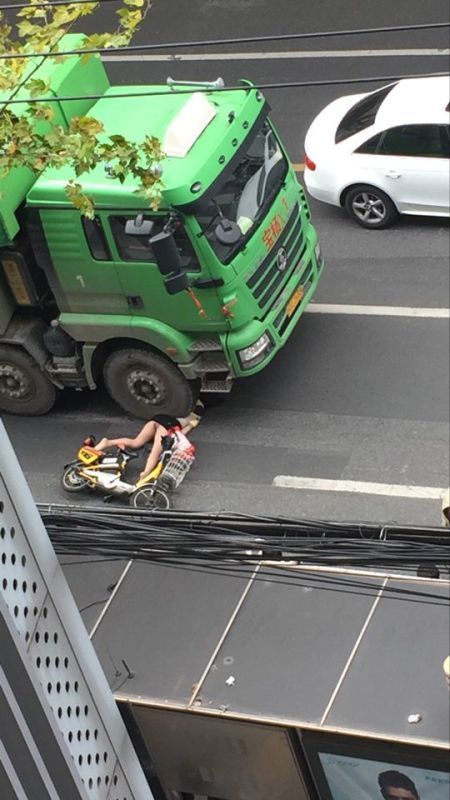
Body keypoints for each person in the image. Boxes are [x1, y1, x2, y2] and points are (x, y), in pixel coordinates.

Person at [97, 402, 203, 482]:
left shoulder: (180, 406)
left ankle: (108, 442)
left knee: (136, 442)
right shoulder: (190, 419)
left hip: (157, 418)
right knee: (155, 452)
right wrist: (191, 426)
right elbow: (181, 434)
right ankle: (146, 473)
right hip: (167, 425)